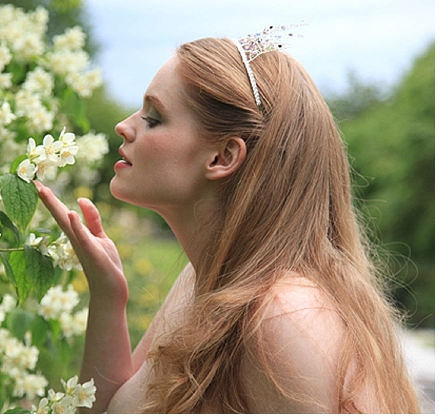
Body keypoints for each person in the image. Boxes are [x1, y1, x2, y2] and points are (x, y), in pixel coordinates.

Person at [35, 29, 421, 413]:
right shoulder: (203, 282)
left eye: (154, 117)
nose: (124, 125)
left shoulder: (283, 318)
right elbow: (106, 410)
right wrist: (108, 296)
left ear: (222, 157)